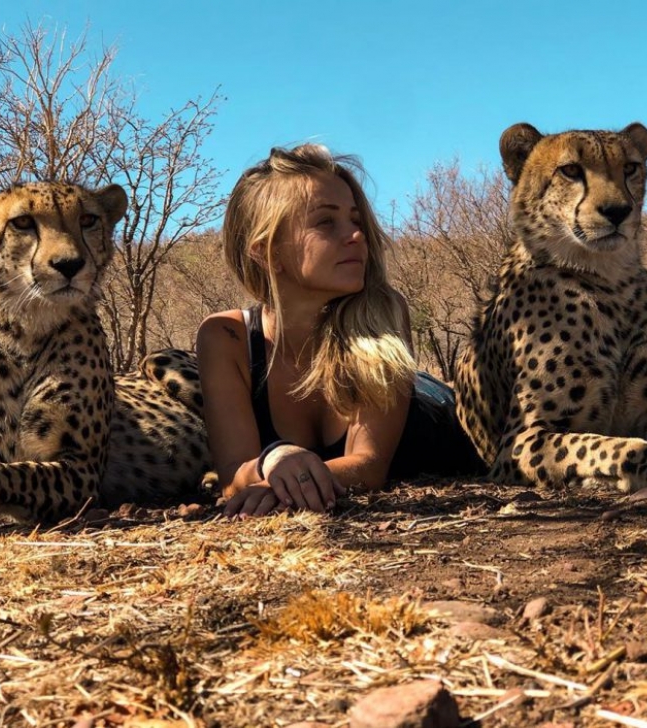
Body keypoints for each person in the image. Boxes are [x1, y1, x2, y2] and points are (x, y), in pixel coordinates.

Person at [196, 144, 483, 517]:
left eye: (355, 220)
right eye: (326, 222)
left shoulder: (384, 312)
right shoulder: (226, 336)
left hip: (431, 406)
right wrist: (274, 460)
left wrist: (281, 485)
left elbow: (368, 465)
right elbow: (234, 474)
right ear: (267, 251)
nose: (357, 236)